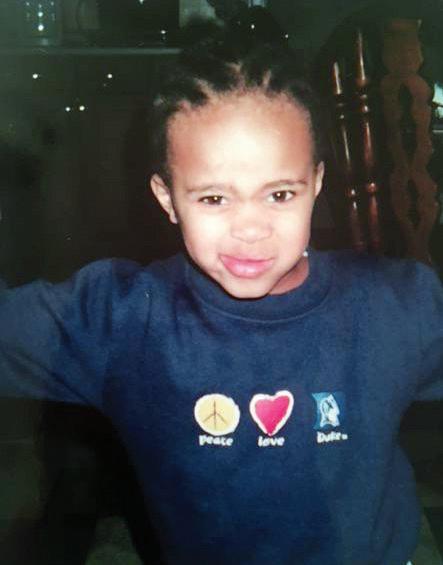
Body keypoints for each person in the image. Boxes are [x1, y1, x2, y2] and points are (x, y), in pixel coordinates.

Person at [0, 33, 441, 565]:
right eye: (214, 198)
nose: (250, 229)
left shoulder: (400, 304)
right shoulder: (115, 317)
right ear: (167, 198)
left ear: (317, 183)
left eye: (280, 194)